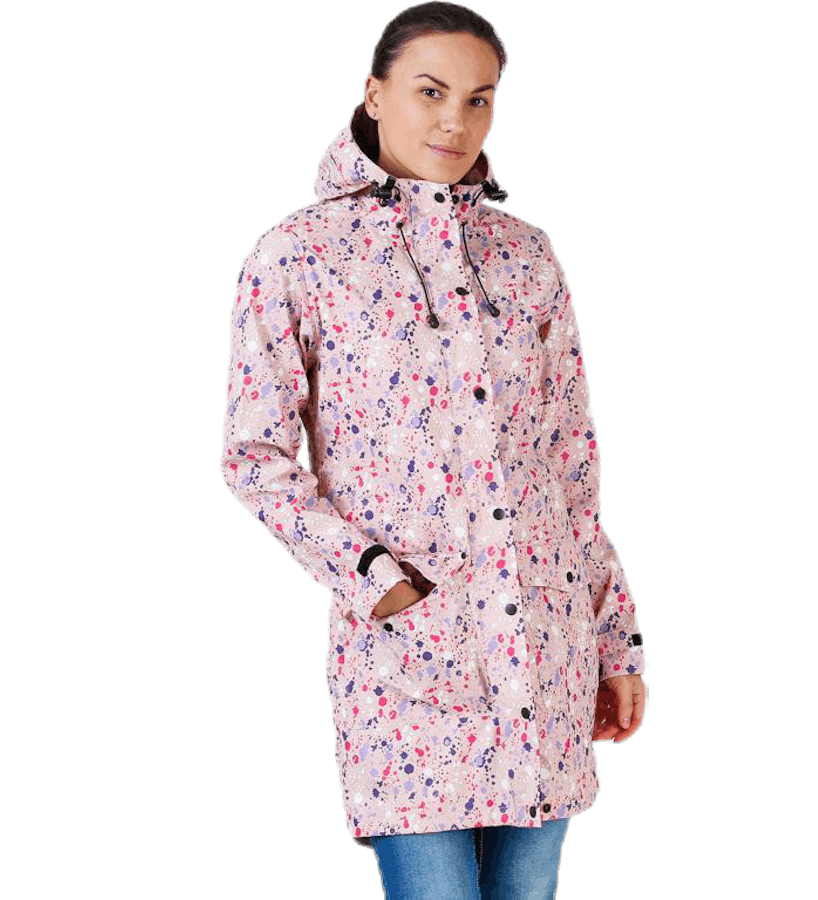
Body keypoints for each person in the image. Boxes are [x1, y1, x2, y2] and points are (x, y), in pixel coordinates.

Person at [220, 2, 647, 896]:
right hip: (408, 663)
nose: (456, 120)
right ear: (374, 94)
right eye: (430, 91)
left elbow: (570, 469)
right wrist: (376, 580)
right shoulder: (297, 254)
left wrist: (616, 641)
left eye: (479, 99)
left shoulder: (527, 255)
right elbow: (255, 456)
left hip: (543, 648)